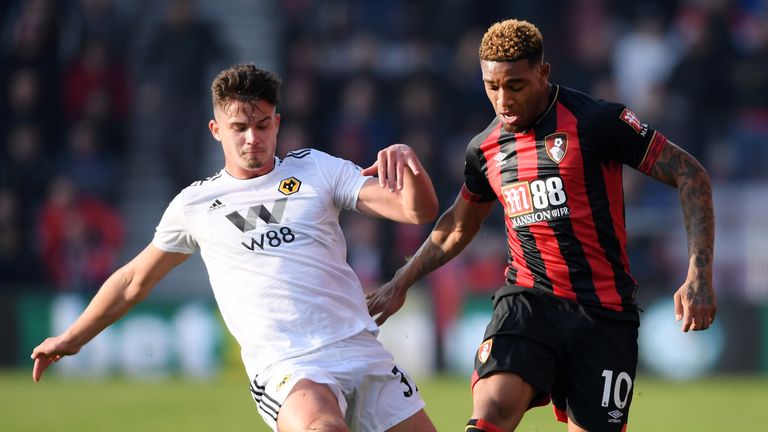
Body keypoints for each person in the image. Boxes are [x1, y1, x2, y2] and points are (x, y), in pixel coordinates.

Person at [31, 64, 439, 432]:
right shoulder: (195, 205)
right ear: (216, 130)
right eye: (239, 127)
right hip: (289, 366)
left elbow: (416, 211)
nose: (252, 138)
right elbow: (133, 280)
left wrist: (411, 168)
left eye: (262, 125)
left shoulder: (317, 168)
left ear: (277, 123)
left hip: (360, 347)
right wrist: (72, 337)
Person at [367, 19, 716, 432]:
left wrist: (699, 274)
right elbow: (460, 225)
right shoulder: (484, 149)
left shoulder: (597, 121)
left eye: (514, 85)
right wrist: (401, 281)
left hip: (604, 315)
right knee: (491, 412)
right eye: (491, 86)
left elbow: (690, 174)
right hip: (528, 301)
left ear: (543, 73)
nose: (502, 100)